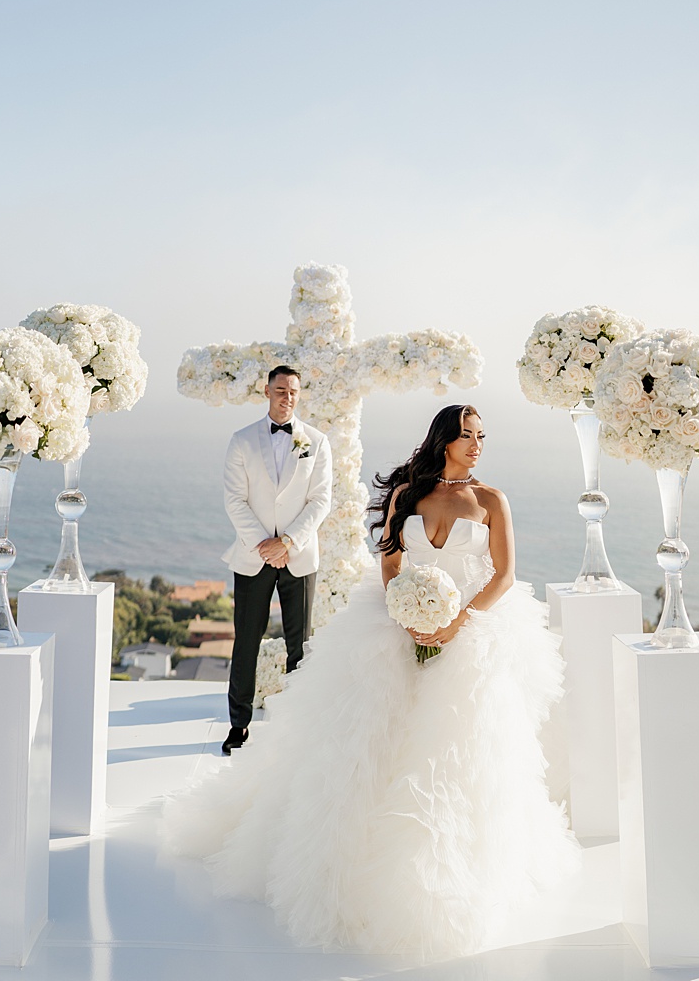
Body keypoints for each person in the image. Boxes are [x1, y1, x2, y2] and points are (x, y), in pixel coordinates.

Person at [163, 404, 580, 960]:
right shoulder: (408, 493)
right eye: (466, 436)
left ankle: (440, 873)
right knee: (358, 739)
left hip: (470, 629)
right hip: (398, 623)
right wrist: (407, 614)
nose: (477, 444)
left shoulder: (491, 501)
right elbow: (389, 563)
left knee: (453, 746)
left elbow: (504, 576)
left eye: (482, 436)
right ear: (443, 441)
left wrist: (457, 622)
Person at [218, 365, 332, 753]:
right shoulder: (242, 440)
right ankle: (238, 726)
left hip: (298, 557)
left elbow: (320, 500)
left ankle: (296, 730)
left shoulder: (317, 442)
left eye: (294, 391)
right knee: (246, 642)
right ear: (267, 391)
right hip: (253, 558)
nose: (287, 397)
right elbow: (234, 499)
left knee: (299, 646)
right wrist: (264, 545)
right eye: (280, 389)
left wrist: (287, 542)